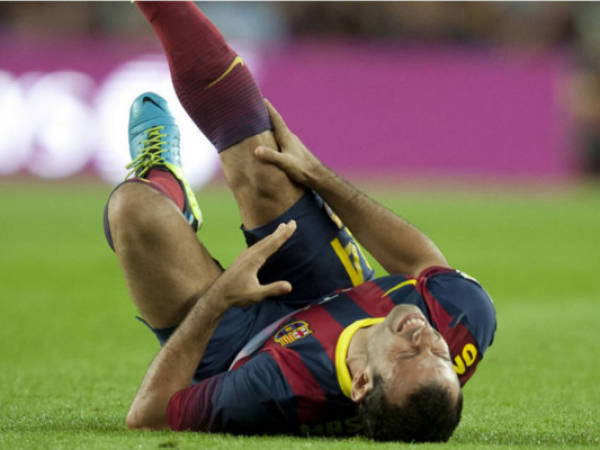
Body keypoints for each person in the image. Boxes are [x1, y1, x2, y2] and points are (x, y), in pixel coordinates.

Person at [103, 1, 496, 442]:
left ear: (363, 382)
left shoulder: (277, 394)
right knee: (266, 168)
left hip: (239, 347)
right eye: (441, 357)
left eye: (409, 356)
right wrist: (318, 174)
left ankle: (162, 178)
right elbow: (421, 260)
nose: (425, 337)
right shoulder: (464, 320)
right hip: (331, 289)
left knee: (133, 210)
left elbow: (147, 414)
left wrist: (220, 299)